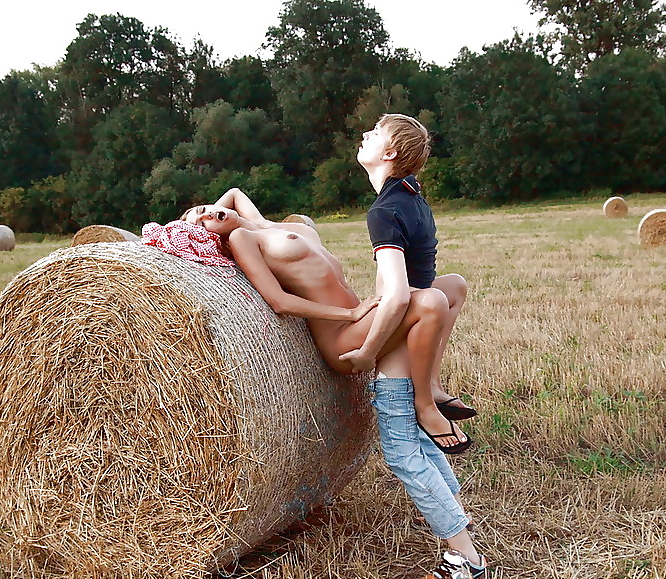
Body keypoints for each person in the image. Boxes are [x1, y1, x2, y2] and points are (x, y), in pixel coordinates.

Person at [180, 188, 467, 454]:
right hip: (342, 337)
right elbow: (279, 301)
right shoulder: (242, 239)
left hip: (361, 320)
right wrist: (351, 314)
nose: (208, 215)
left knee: (453, 286)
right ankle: (425, 406)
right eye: (202, 223)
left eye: (205, 208)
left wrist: (211, 214)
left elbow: (234, 193)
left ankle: (433, 385)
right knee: (431, 302)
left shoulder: (265, 225)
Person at [349, 113, 487, 579]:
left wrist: (367, 351)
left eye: (375, 133)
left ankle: (464, 559)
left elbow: (403, 296)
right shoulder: (414, 199)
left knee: (404, 454)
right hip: (418, 347)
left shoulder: (384, 211)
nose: (365, 135)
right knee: (422, 448)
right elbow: (424, 284)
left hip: (397, 358)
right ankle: (459, 526)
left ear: (389, 153)